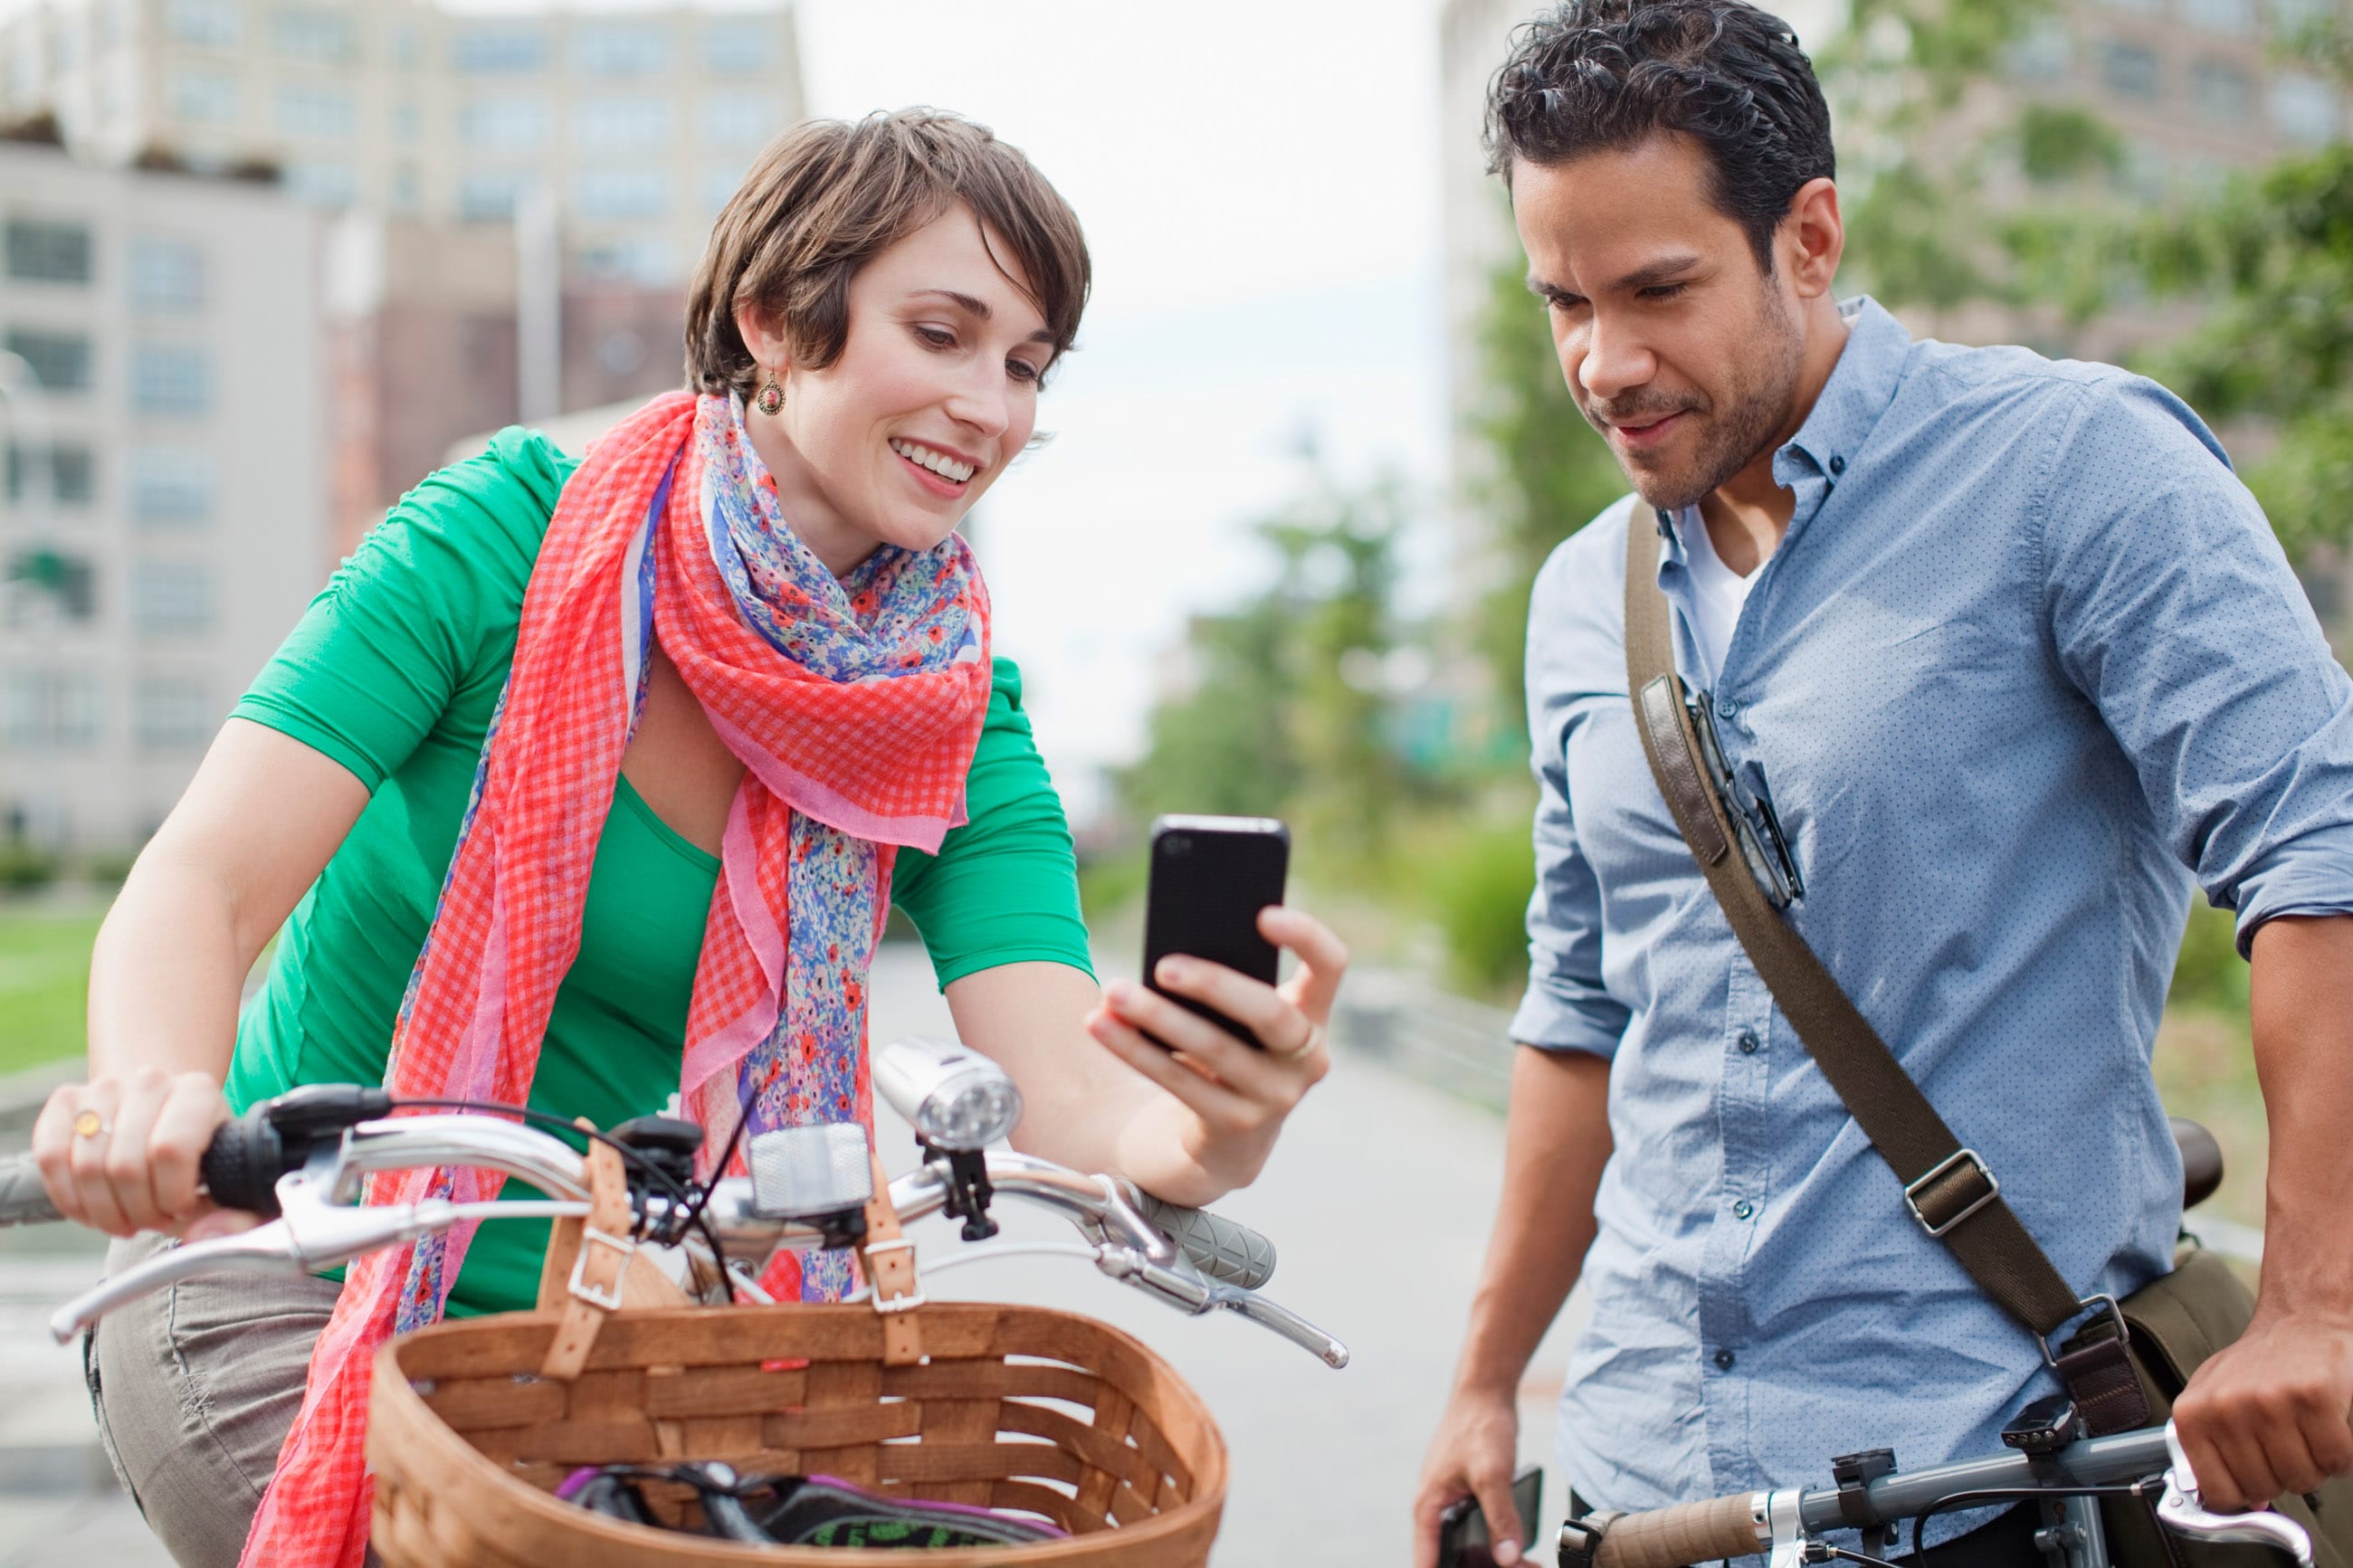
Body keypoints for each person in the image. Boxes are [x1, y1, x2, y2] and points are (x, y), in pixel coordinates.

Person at [32, 109, 1346, 1568]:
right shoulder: (498, 539)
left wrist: (1213, 1122)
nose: (990, 405)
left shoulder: (952, 714)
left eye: (1028, 365)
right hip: (289, 1267)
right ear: (774, 321)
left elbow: (1070, 1097)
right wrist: (152, 1095)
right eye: (942, 333)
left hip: (646, 1343)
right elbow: (204, 881)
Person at [1411, 4, 2353, 1563]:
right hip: (1639, 1492)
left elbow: (2321, 850)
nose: (1604, 363)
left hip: (1986, 1484)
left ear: (1808, 238)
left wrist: (2318, 1303)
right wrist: (1486, 1380)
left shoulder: (2072, 468)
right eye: (1563, 300)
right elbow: (1581, 1011)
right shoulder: (1581, 595)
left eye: (1658, 291)